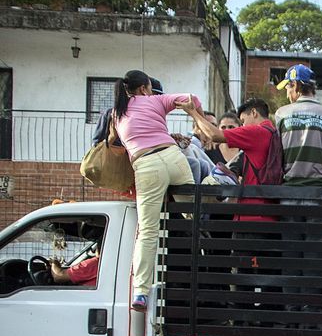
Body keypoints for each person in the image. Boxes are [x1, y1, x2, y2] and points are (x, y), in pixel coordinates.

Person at [182, 97, 282, 318]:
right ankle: (268, 328)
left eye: (243, 120)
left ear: (254, 113)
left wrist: (194, 113)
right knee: (270, 280)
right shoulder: (275, 133)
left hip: (250, 219)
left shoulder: (258, 132)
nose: (243, 125)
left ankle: (243, 328)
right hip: (271, 219)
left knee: (242, 280)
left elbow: (216, 135)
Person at [111, 70, 199, 310]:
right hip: (173, 157)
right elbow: (191, 98)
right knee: (193, 214)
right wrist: (195, 113)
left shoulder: (116, 114)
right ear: (143, 89)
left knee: (148, 231)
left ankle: (140, 293)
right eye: (149, 88)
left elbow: (112, 141)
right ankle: (204, 257)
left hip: (145, 165)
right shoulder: (155, 100)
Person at [273, 64, 322, 314]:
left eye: (288, 87)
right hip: (319, 193)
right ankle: (310, 311)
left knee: (290, 253)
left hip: (289, 192)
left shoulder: (281, 115)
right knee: (314, 254)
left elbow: (277, 155)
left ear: (296, 86)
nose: (287, 93)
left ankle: (291, 310)